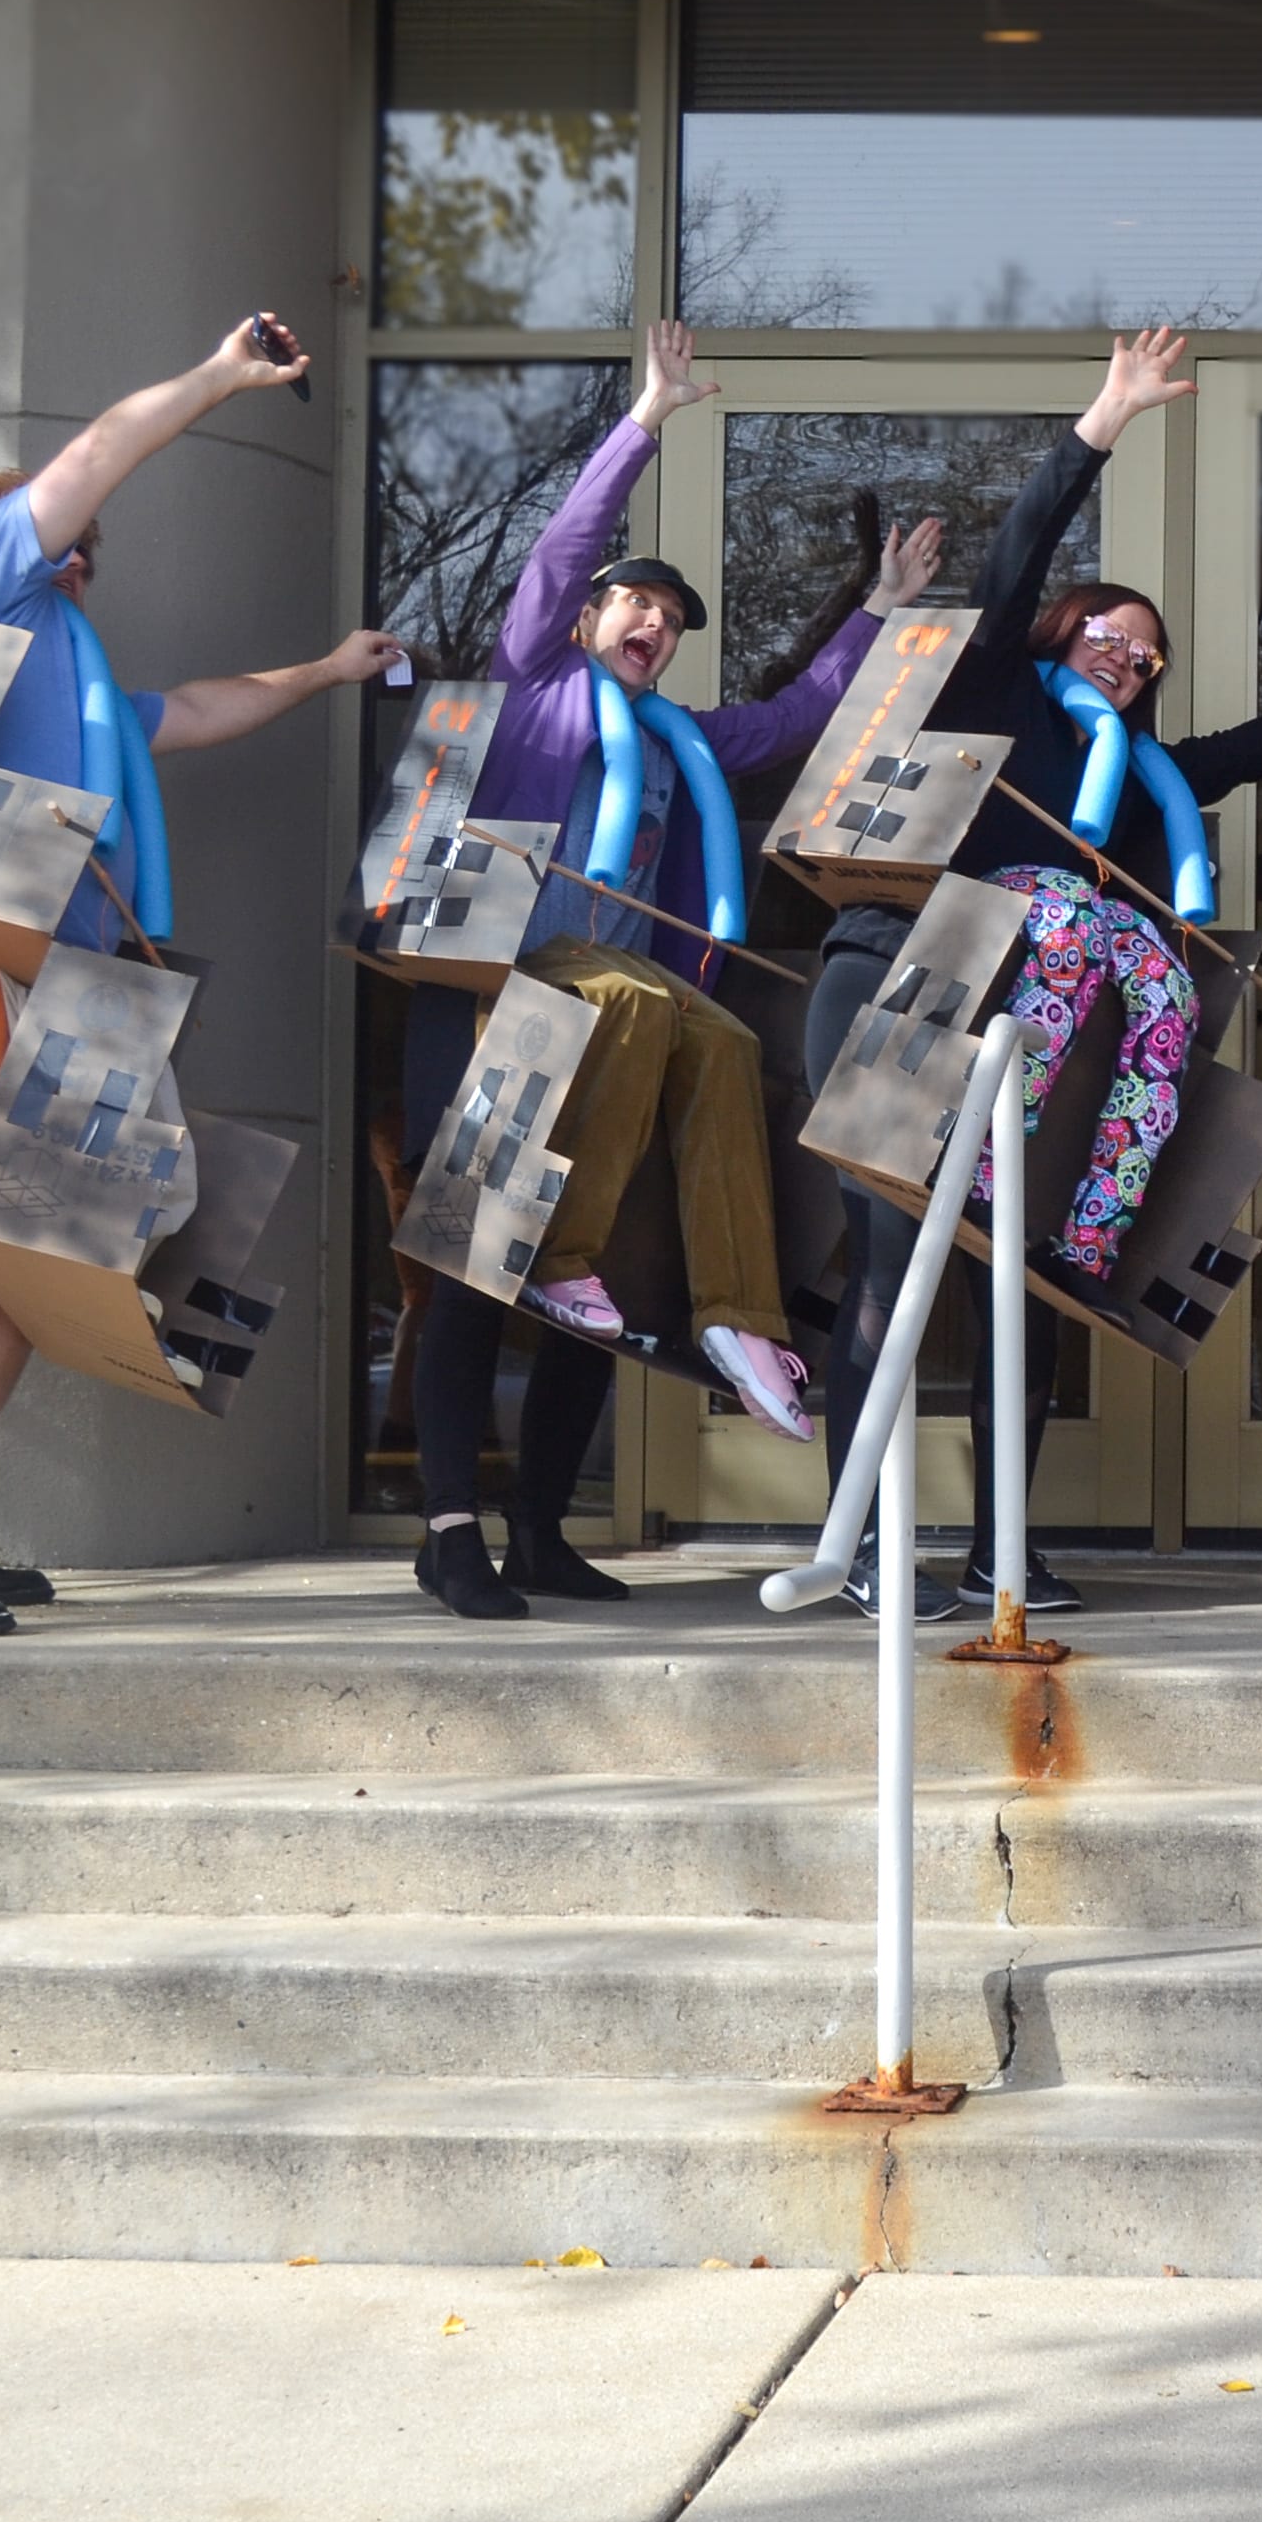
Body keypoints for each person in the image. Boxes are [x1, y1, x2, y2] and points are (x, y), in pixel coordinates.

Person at [802, 327, 1262, 1623]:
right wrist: (1103, 421)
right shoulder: (994, 697)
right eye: (1109, 634)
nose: (1129, 660)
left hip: (1033, 1055)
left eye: (1147, 658)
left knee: (1017, 1295)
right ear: (1061, 631)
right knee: (888, 1277)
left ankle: (1001, 1555)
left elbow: (1248, 750)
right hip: (902, 993)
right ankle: (866, 1552)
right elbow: (1018, 553)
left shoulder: (1135, 796)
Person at [0, 314, 399, 1638]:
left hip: (35, 985)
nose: (84, 549)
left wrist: (326, 671)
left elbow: (189, 712)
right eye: (64, 530)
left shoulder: (74, 686)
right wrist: (223, 375)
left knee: (34, 1264)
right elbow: (91, 453)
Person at [404, 319, 903, 1619]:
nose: (655, 623)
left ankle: (729, 1336)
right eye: (635, 603)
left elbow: (794, 719)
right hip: (513, 999)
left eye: (673, 618)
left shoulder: (679, 734)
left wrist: (877, 614)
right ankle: (450, 1532)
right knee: (475, 1266)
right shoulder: (536, 683)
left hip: (625, 1033)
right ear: (585, 617)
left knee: (698, 1109)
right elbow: (565, 546)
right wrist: (647, 419)